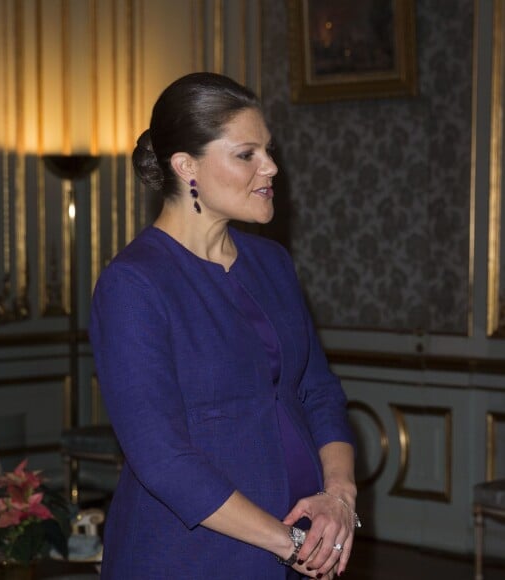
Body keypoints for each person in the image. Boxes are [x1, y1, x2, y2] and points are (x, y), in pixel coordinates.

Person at [89, 72, 359, 580]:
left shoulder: (272, 262)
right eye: (246, 154)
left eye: (269, 150)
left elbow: (318, 392)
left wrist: (339, 497)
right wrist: (292, 545)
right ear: (186, 166)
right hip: (191, 559)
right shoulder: (134, 284)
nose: (272, 167)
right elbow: (162, 458)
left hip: (303, 549)